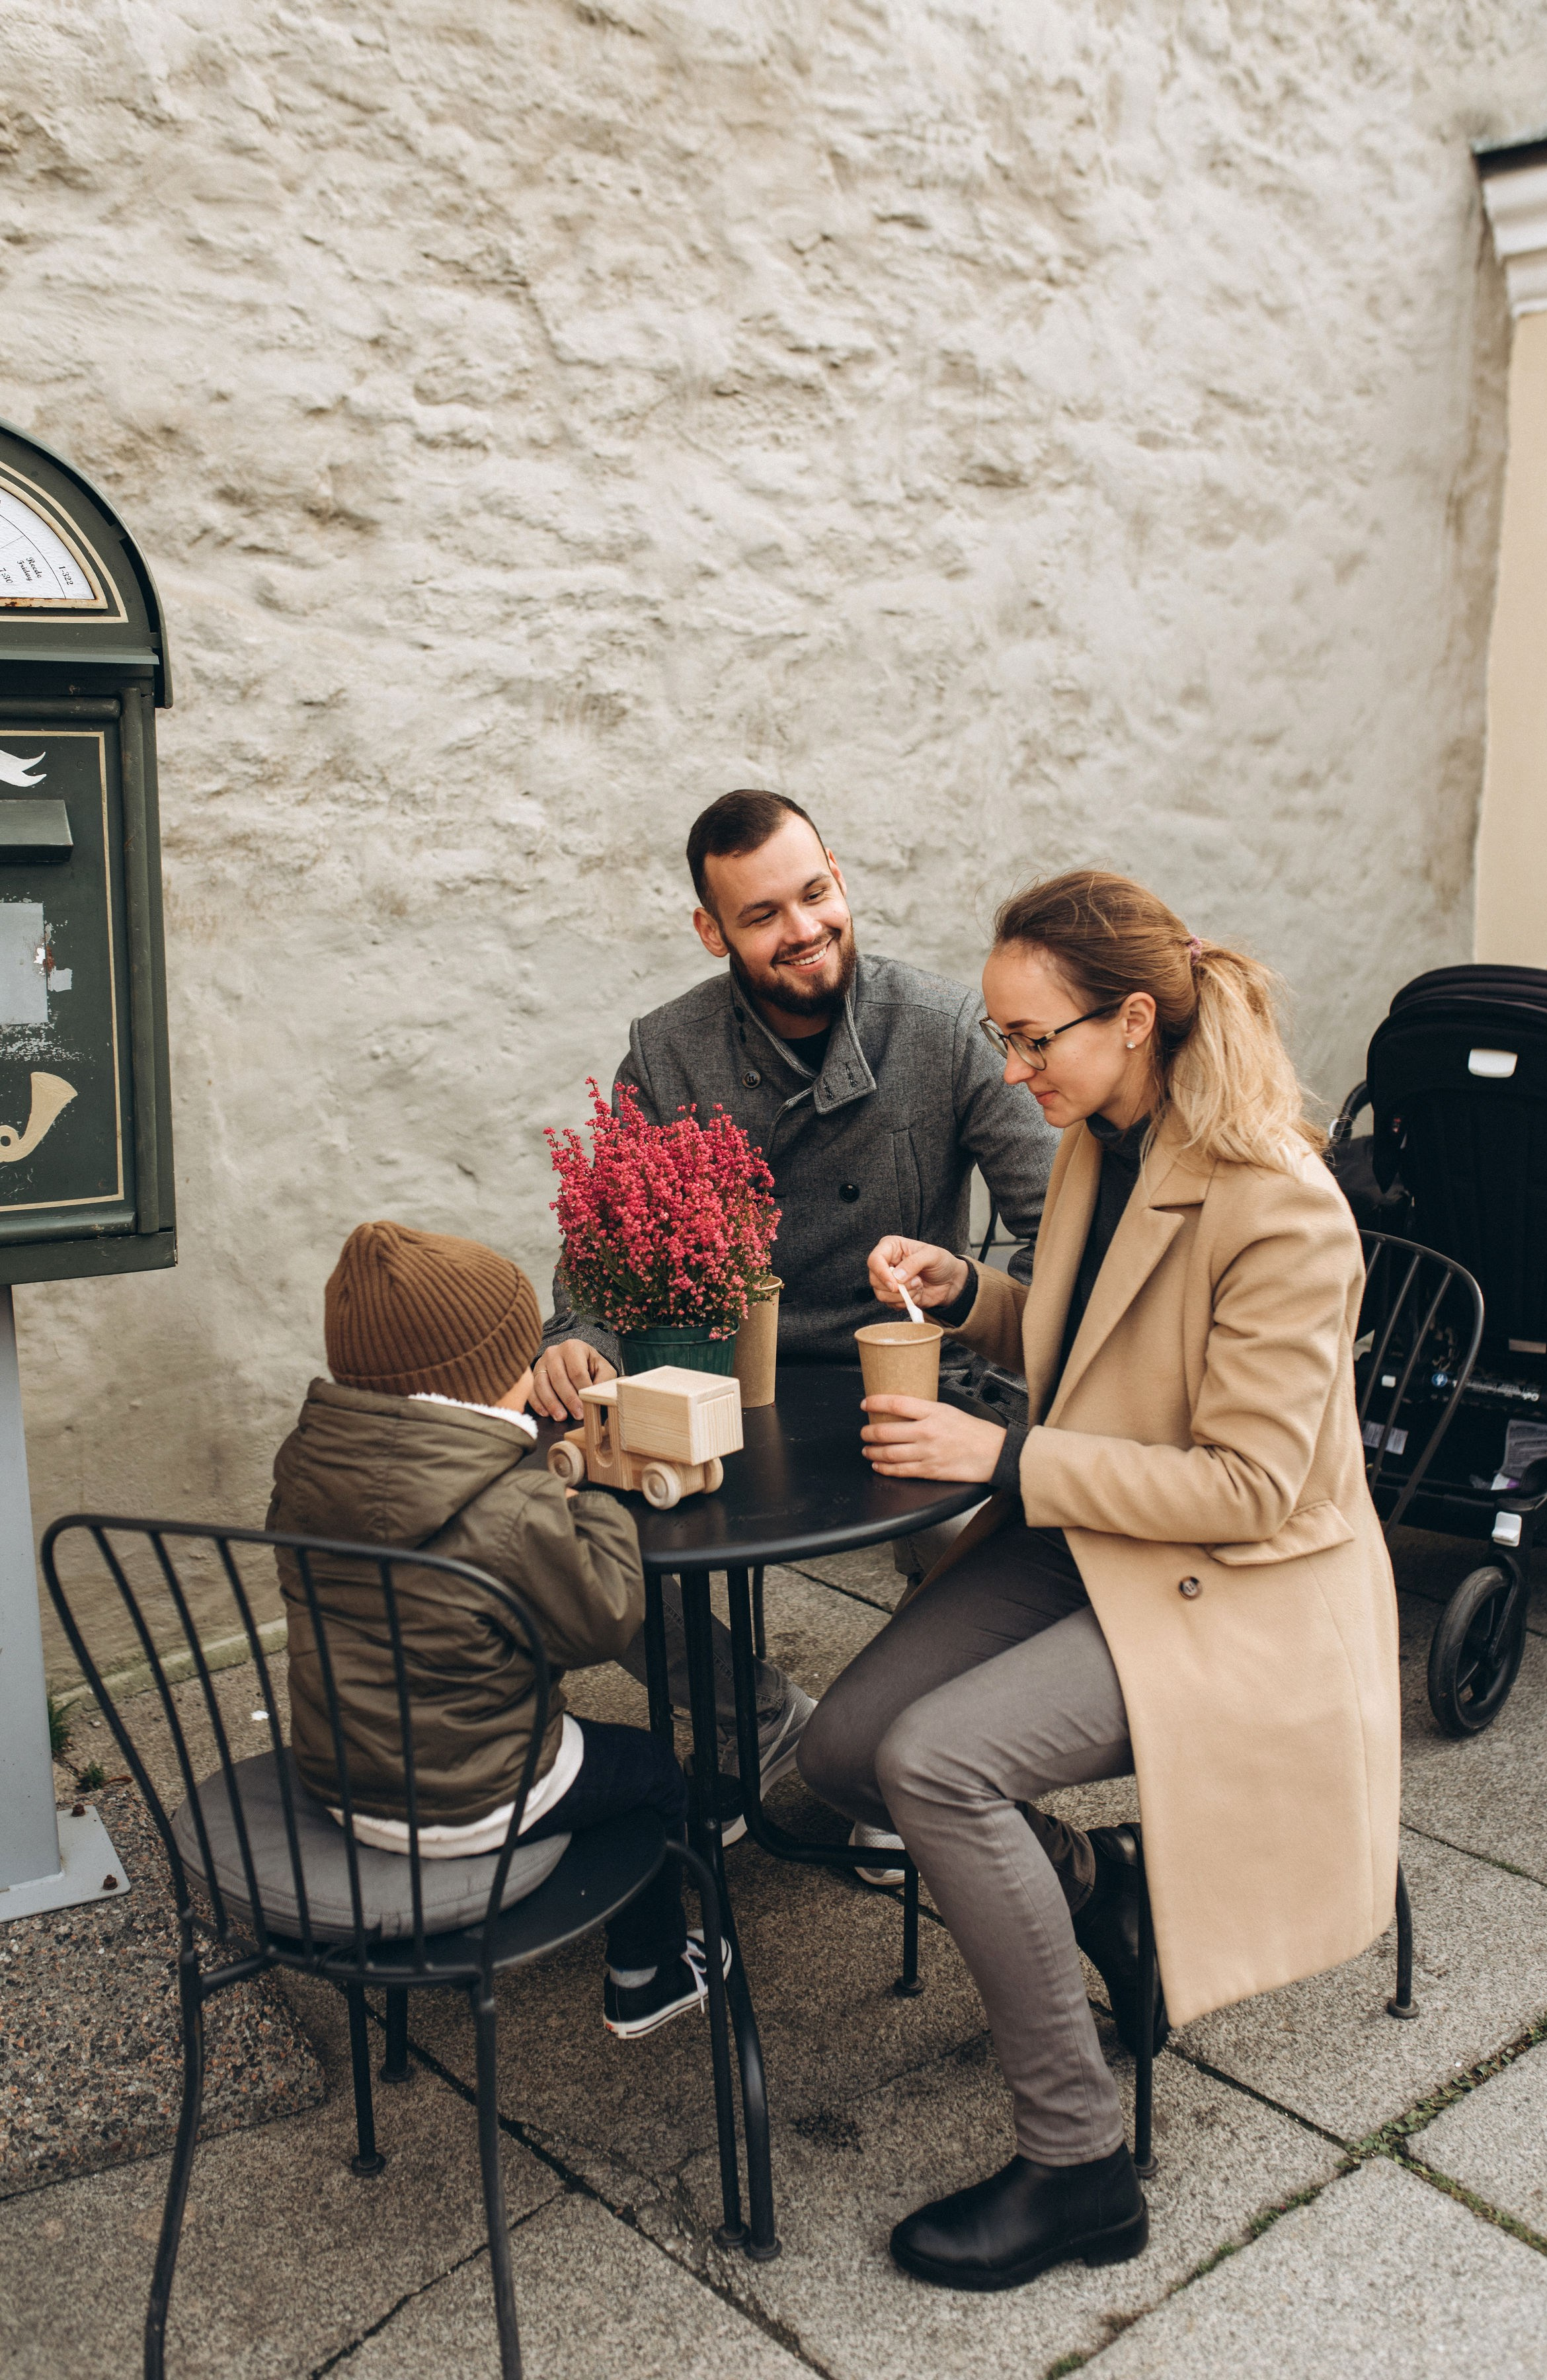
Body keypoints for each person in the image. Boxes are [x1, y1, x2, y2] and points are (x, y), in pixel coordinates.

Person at [797, 869, 1400, 2291]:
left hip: (1232, 1593)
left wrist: (1000, 1461)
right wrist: (968, 1294)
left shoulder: (1278, 1204)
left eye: (1031, 1040)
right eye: (1001, 1039)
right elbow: (1098, 1352)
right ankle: (1100, 1886)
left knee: (936, 1764)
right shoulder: (1100, 1143)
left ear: (1131, 1019)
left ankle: (1079, 2169)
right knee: (835, 1751)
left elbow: (1250, 1490)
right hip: (1093, 1542)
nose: (1010, 1069)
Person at [529, 789, 1057, 1849]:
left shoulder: (946, 1029)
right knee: (575, 1538)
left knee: (983, 1548)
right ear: (711, 930)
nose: (804, 929)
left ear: (839, 879)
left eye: (815, 894)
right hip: (729, 1382)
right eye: (762, 914)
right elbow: (603, 1247)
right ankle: (754, 1720)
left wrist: (974, 1290)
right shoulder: (669, 1051)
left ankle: (880, 1765)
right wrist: (576, 1333)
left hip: (906, 1379)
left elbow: (1062, 1234)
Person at [269, 1220, 724, 2040]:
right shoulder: (510, 1507)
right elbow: (603, 1619)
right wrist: (595, 1506)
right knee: (652, 1770)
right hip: (473, 1795)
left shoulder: (306, 1465)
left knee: (595, 1757)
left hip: (342, 1775)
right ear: (488, 1381)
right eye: (521, 1362)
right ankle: (648, 1973)